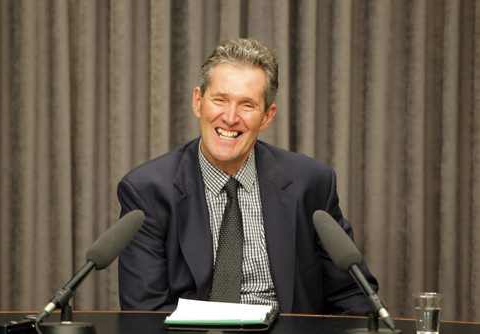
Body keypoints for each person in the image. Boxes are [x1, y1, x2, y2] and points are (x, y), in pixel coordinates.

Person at [117, 37, 378, 315]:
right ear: (198, 102)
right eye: (220, 99)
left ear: (267, 116)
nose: (230, 117)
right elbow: (143, 311)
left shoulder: (310, 184)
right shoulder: (147, 191)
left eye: (247, 105)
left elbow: (353, 294)